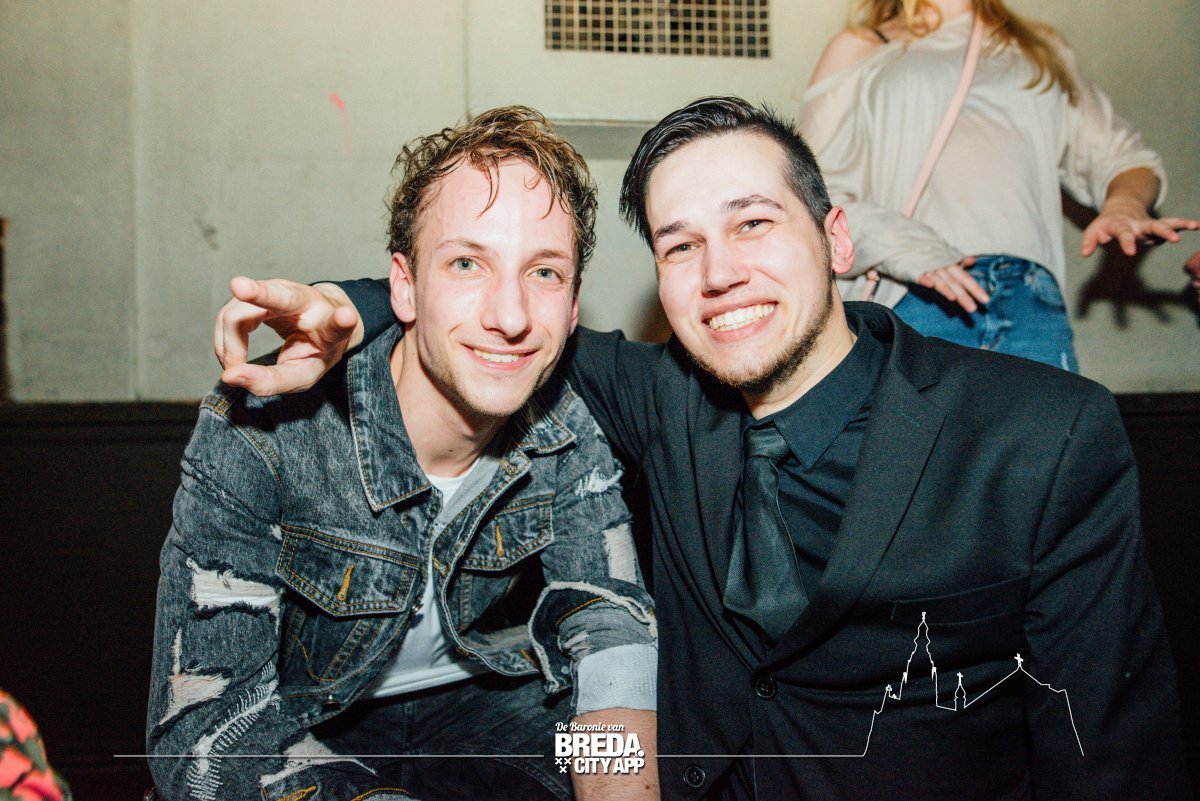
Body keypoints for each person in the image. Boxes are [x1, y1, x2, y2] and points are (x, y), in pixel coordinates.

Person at [215, 97, 1190, 799]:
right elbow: (498, 304)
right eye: (680, 245)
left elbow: (1109, 751)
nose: (720, 271)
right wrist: (351, 308)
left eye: (753, 223)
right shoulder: (652, 399)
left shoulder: (1038, 433)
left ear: (838, 238)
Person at [148, 106, 659, 801]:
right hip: (302, 722)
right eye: (467, 263)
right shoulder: (264, 429)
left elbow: (609, 627)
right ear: (404, 286)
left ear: (573, 309)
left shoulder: (565, 427)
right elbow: (206, 731)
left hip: (484, 706)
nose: (510, 316)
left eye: (543, 272)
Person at [800, 0, 1199, 372]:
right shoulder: (863, 44)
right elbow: (811, 192)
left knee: (1054, 425)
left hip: (1029, 293)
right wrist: (908, 247)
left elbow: (1124, 157)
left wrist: (1125, 205)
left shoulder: (1039, 47)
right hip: (916, 291)